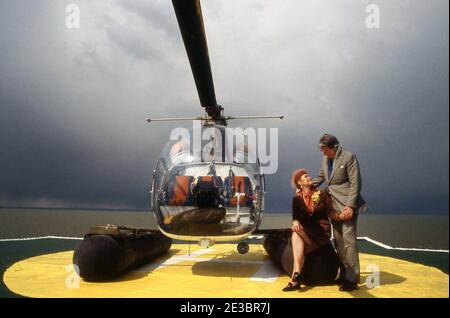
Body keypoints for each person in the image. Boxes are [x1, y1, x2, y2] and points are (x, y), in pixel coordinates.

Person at [313, 133, 366, 292]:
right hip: (333, 207)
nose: (323, 153)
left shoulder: (349, 157)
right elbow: (321, 177)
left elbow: (356, 182)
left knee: (349, 242)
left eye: (325, 150)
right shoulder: (325, 159)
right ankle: (344, 274)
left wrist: (350, 206)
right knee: (339, 241)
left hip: (347, 206)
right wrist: (305, 187)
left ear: (333, 147)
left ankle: (353, 279)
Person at [282, 168, 343, 291]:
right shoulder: (296, 200)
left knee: (296, 233)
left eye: (308, 175)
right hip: (306, 231)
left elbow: (331, 212)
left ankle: (295, 279)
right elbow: (296, 218)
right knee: (295, 232)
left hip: (321, 231)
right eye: (305, 176)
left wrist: (340, 216)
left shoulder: (321, 194)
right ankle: (297, 276)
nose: (309, 177)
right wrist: (295, 222)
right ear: (300, 182)